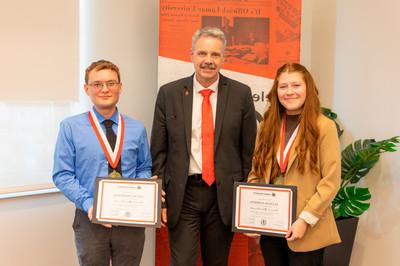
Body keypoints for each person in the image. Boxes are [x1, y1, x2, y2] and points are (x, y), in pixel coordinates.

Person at [151, 27, 257, 266]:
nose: (208, 60)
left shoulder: (241, 94)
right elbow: (159, 151)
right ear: (191, 56)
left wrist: (247, 197)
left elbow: (248, 152)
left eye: (215, 55)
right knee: (182, 262)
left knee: (217, 262)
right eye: (202, 54)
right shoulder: (169, 94)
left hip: (223, 196)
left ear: (224, 58)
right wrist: (160, 198)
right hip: (183, 193)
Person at [53, 59, 152, 266]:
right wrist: (90, 205)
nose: (105, 89)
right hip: (89, 219)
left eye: (111, 83)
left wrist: (143, 190)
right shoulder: (70, 127)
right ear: (87, 89)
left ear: (120, 87)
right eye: (97, 84)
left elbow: (143, 167)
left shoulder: (137, 128)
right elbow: (62, 175)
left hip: (130, 220)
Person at [247, 62, 341, 266]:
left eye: (296, 85)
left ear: (307, 87)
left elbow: (331, 181)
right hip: (271, 228)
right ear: (276, 91)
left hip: (306, 230)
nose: (289, 92)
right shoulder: (266, 127)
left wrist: (304, 220)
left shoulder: (324, 127)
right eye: (283, 87)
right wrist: (251, 216)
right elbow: (256, 173)